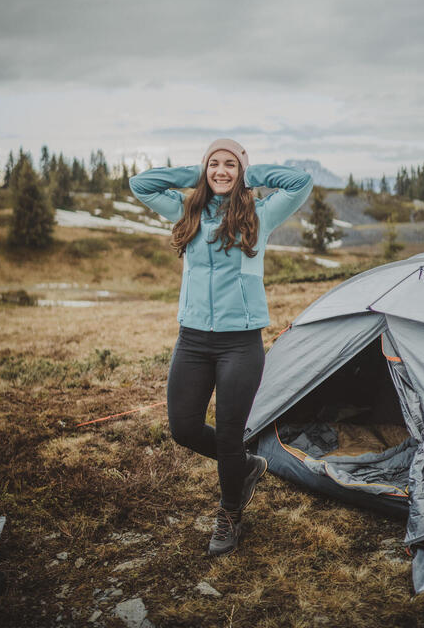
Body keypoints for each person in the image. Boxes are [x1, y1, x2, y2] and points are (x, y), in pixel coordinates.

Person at [129, 139, 313, 555]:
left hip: (240, 343)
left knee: (230, 435)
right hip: (192, 339)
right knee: (184, 427)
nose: (222, 171)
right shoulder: (187, 210)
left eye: (230, 164)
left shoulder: (260, 214)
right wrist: (198, 176)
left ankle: (229, 514)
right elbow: (140, 184)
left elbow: (300, 182)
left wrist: (248, 174)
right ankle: (245, 467)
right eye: (215, 164)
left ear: (242, 171)